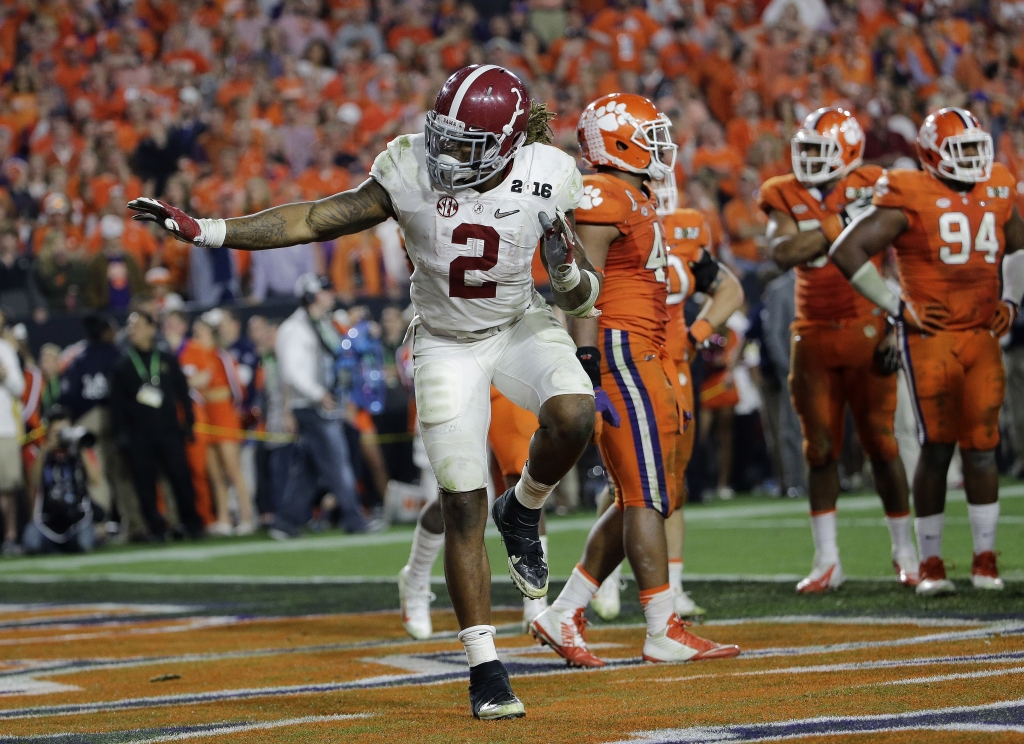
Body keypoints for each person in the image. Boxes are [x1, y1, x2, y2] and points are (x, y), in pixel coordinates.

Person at [130, 64, 598, 721]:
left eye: (463, 143)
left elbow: (583, 295)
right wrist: (210, 230)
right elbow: (316, 219)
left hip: (519, 325)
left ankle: (524, 509)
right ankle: (485, 666)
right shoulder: (409, 166)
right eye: (442, 135)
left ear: (508, 144)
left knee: (577, 416)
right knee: (463, 499)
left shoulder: (550, 172)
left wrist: (567, 266)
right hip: (443, 342)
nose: (442, 152)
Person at [529, 93, 739, 666]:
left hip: (644, 348)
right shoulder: (602, 192)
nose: (658, 146)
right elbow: (581, 285)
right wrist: (588, 362)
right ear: (617, 142)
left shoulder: (632, 194)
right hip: (621, 348)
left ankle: (563, 610)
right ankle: (660, 626)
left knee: (641, 494)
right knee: (645, 494)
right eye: (648, 135)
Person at [831, 107, 1024, 596]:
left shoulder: (998, 185)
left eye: (977, 148)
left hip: (981, 334)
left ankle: (984, 560)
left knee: (983, 448)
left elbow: (1018, 247)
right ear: (933, 153)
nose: (975, 160)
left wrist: (1012, 298)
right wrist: (898, 305)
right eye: (962, 150)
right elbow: (847, 250)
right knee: (937, 445)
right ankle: (932, 561)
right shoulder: (909, 191)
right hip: (931, 337)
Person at [760, 107, 916, 593]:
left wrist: (897, 320)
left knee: (882, 443)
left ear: (849, 153)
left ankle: (905, 552)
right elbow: (784, 253)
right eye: (804, 150)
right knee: (820, 448)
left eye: (819, 151)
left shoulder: (876, 181)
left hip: (868, 325)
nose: (808, 160)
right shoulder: (781, 191)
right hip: (813, 332)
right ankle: (827, 559)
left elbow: (902, 252)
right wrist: (840, 221)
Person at [589, 174, 745, 621]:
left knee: (671, 481)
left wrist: (696, 337)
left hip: (674, 364)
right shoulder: (617, 222)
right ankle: (606, 579)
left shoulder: (685, 230)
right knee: (631, 481)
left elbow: (729, 289)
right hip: (631, 358)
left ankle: (671, 587)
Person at [398, 388, 547, 640]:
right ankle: (415, 579)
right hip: (454, 373)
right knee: (457, 492)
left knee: (526, 482)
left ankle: (535, 604)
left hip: (505, 372)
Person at [269, 275, 373, 538]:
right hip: (312, 404)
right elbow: (291, 371)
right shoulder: (295, 328)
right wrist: (318, 394)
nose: (330, 295)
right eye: (324, 291)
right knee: (337, 463)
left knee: (309, 468)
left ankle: (285, 522)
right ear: (311, 296)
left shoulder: (323, 322)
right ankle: (354, 519)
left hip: (323, 402)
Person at [111, 311, 205, 541]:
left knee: (180, 477)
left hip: (169, 429)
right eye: (130, 326)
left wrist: (190, 422)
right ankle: (155, 527)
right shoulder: (123, 365)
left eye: (138, 326)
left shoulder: (165, 358)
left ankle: (190, 523)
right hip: (139, 433)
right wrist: (121, 433)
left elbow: (183, 392)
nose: (132, 331)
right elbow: (117, 404)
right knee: (145, 483)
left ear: (152, 329)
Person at [60, 313, 144, 540]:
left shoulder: (79, 359)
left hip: (87, 420)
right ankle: (135, 525)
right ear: (105, 331)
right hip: (116, 419)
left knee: (96, 475)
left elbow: (67, 397)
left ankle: (99, 527)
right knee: (122, 474)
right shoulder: (119, 355)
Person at [22, 405, 102, 554]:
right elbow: (34, 481)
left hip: (77, 517)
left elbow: (95, 480)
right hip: (48, 518)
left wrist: (81, 449)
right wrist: (45, 450)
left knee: (84, 544)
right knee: (31, 543)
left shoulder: (80, 451)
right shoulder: (39, 452)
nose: (62, 437)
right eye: (57, 432)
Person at [0, 308, 25, 555]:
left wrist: (5, 376)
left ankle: (11, 535)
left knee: (7, 487)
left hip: (4, 427)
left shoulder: (5, 350)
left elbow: (20, 387)